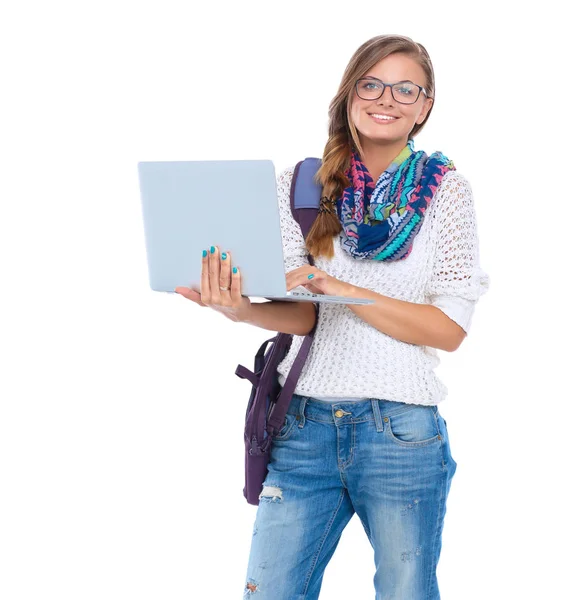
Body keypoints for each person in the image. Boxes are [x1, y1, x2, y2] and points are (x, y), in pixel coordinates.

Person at [176, 33, 490, 600]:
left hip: (400, 432)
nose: (386, 98)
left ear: (426, 105)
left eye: (405, 88)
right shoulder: (300, 184)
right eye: (371, 83)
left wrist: (341, 286)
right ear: (349, 95)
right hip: (301, 428)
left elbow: (448, 329)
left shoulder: (448, 195)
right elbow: (305, 316)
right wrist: (237, 307)